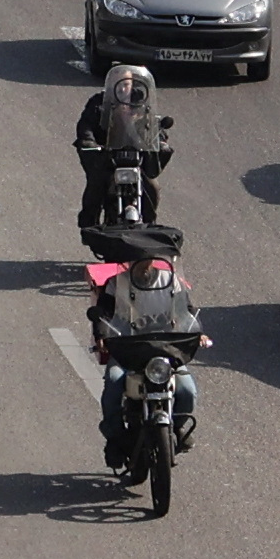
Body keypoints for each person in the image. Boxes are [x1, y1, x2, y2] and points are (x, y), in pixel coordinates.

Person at [86, 241, 206, 461]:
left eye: (147, 258)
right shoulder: (117, 284)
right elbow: (103, 312)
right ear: (129, 260)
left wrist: (197, 332)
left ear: (155, 260)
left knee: (187, 390)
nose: (142, 263)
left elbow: (185, 310)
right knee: (114, 382)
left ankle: (177, 426)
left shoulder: (171, 281)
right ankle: (115, 437)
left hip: (166, 349)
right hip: (127, 350)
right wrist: (102, 335)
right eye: (136, 258)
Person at [72, 62, 169, 227]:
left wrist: (159, 139)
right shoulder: (98, 102)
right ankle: (89, 223)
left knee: (152, 186)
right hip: (107, 154)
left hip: (136, 154)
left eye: (126, 84)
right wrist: (89, 141)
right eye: (119, 83)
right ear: (111, 83)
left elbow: (152, 123)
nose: (123, 89)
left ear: (132, 84)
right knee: (96, 183)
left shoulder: (141, 101)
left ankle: (150, 222)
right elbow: (86, 125)